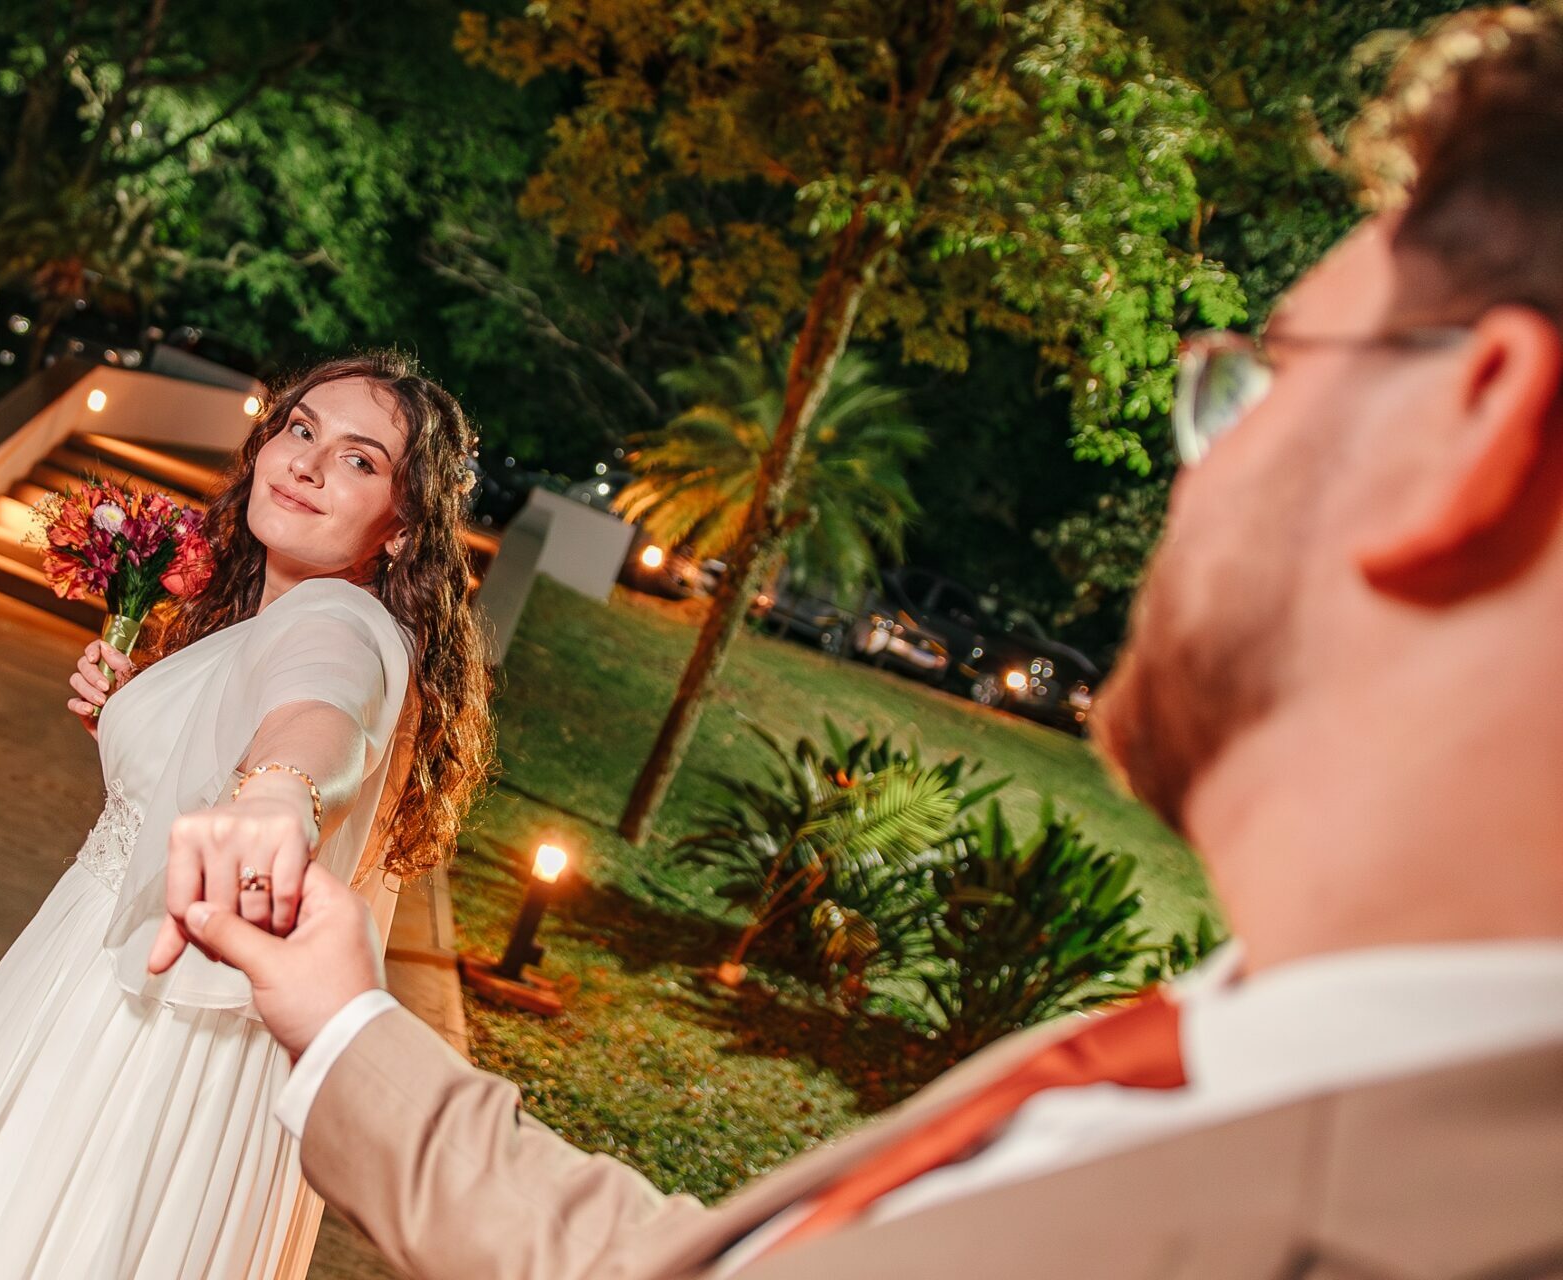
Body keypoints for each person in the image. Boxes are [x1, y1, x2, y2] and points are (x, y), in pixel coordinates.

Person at [177, 10, 1563, 1279]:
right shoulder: (1252, 1055)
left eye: (1256, 384)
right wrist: (349, 1028)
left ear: (1465, 432)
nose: (1195, 478)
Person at [0, 352, 494, 1279]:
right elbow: (248, 724)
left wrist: (278, 795)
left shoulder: (337, 623)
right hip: (104, 981)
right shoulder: (284, 615)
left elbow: (318, 718)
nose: (306, 464)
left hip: (141, 1028)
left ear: (402, 526)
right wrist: (145, 718)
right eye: (300, 429)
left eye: (358, 459)